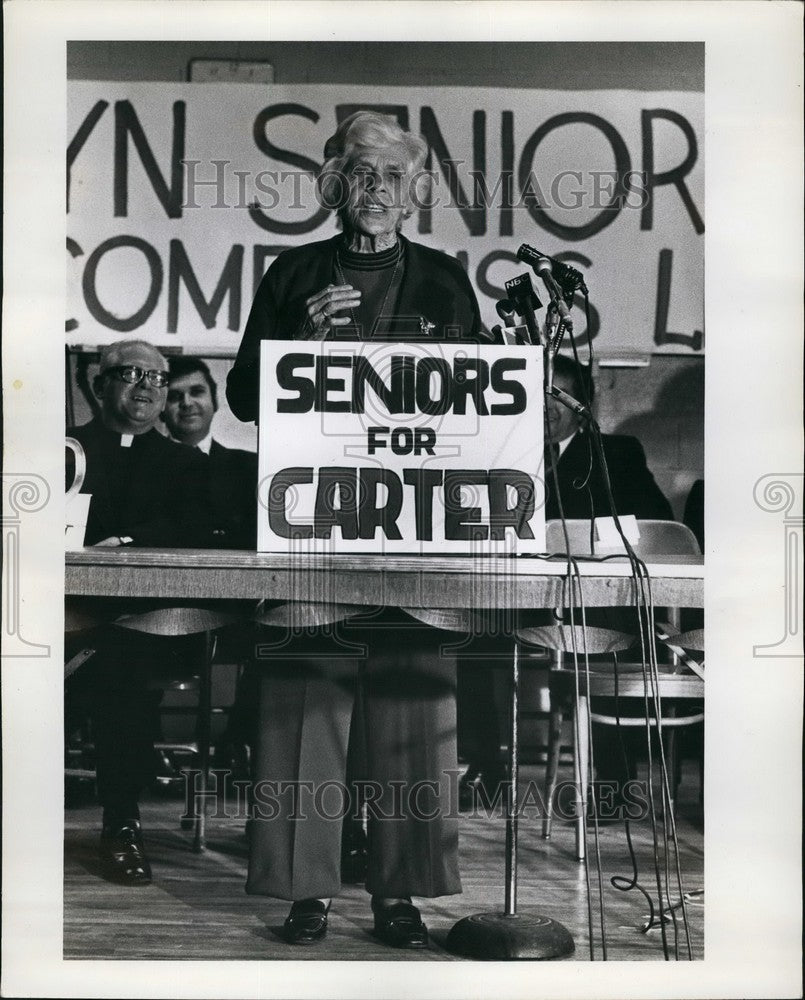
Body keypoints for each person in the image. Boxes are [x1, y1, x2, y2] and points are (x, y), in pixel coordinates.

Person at [226, 111, 490, 948]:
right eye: (359, 172)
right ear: (332, 185)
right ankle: (304, 890)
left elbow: (482, 400)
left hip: (417, 525)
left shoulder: (445, 279)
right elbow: (242, 398)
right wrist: (296, 343)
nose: (375, 189)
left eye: (391, 176)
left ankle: (399, 894)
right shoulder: (292, 273)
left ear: (416, 192)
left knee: (413, 703)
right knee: (303, 698)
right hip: (312, 517)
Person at [458, 353, 673, 808]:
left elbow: (657, 522)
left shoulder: (616, 453)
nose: (545, 406)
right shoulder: (506, 455)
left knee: (610, 630)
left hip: (590, 599)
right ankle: (487, 768)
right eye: (535, 395)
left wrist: (588, 537)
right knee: (464, 630)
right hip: (522, 595)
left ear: (583, 405)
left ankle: (614, 782)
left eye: (557, 395)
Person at [67, 339, 211, 885]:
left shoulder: (186, 464)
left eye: (157, 377)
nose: (147, 386)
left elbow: (195, 529)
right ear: (98, 385)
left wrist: (124, 543)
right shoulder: (64, 450)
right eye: (131, 374)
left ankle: (122, 825)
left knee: (123, 667)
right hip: (62, 617)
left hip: (145, 626)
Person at [162, 356, 258, 549]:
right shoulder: (142, 465)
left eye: (196, 392)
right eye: (174, 396)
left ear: (214, 400)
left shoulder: (251, 467)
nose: (187, 403)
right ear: (160, 409)